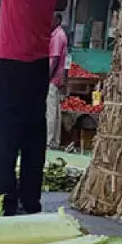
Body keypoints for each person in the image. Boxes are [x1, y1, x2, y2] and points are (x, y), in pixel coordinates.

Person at [0, 0, 69, 216]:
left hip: (12, 55)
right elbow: (62, 1)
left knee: (6, 133)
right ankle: (30, 202)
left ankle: (3, 205)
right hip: (39, 56)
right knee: (34, 132)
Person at [47, 13, 68, 149]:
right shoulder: (61, 34)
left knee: (50, 110)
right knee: (56, 111)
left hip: (53, 79)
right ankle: (54, 140)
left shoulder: (57, 36)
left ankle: (49, 141)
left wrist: (46, 77)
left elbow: (54, 59)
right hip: (57, 78)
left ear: (58, 20)